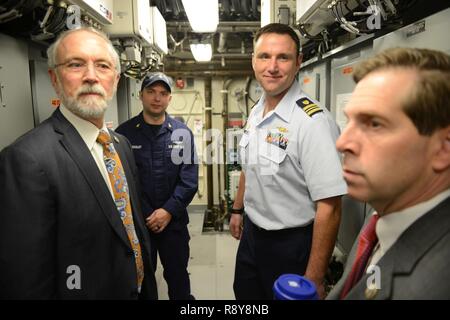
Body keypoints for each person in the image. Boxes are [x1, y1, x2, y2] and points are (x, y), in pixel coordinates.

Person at [0, 27, 158, 299]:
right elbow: (25, 279)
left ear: (116, 79)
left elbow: (130, 229)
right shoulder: (26, 159)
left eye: (103, 66)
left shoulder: (119, 145)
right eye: (75, 64)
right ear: (54, 78)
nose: (91, 76)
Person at [229, 23, 347, 300]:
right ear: (253, 61)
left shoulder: (313, 122)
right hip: (252, 237)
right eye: (264, 56)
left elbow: (330, 206)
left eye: (283, 57)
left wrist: (315, 277)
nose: (272, 66)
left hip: (291, 245)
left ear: (298, 63)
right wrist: (237, 209)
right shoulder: (257, 110)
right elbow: (251, 166)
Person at [327, 48, 450, 300]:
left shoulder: (429, 287)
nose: (342, 143)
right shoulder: (381, 217)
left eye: (374, 124)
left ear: (443, 148)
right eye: (349, 121)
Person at [116, 72, 198, 300]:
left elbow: (189, 179)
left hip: (174, 225)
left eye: (163, 93)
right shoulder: (123, 135)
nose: (157, 98)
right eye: (151, 92)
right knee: (142, 281)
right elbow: (123, 181)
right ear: (140, 95)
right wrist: (148, 214)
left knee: (178, 278)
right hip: (139, 225)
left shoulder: (182, 134)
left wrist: (168, 211)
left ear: (170, 98)